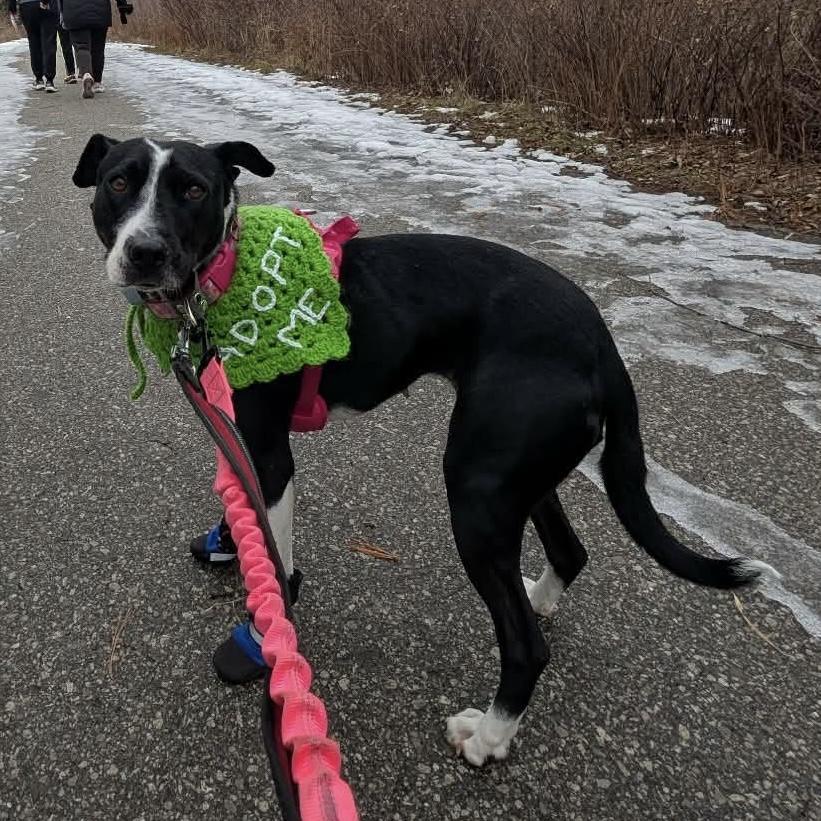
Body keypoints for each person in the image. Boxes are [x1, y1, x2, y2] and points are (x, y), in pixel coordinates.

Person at [59, 0, 132, 99]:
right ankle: (97, 82)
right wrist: (122, 5)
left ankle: (86, 74)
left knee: (81, 46)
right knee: (98, 48)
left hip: (74, 12)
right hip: (100, 11)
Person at [9, 0, 60, 92]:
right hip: (49, 4)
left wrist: (12, 8)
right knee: (49, 41)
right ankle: (49, 80)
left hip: (28, 5)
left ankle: (38, 78)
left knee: (33, 41)